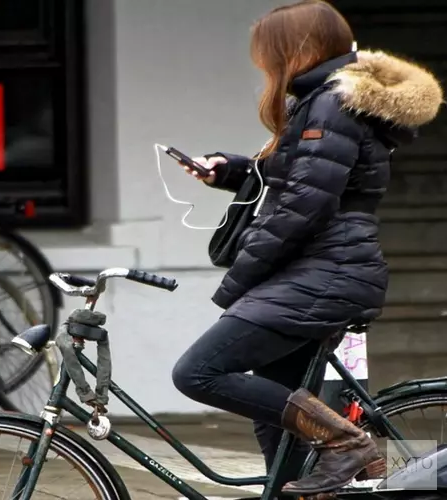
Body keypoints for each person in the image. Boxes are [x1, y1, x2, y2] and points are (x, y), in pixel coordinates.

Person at [170, 0, 443, 496]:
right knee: (279, 429)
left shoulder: (332, 101)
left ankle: (345, 441)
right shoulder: (324, 98)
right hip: (322, 267)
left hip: (325, 269)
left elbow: (306, 204)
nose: (262, 64)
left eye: (266, 53)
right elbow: (306, 177)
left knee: (198, 372)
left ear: (294, 49)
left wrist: (242, 277)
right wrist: (230, 170)